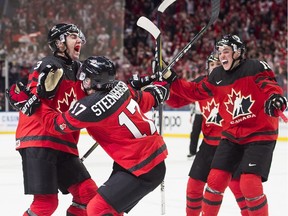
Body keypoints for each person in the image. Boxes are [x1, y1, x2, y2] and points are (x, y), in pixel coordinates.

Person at [161, 34, 287, 215]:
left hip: (259, 133)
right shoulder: (217, 76)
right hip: (232, 135)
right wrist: (170, 78)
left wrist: (275, 97)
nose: (222, 56)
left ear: (237, 53)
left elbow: (269, 85)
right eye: (220, 52)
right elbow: (194, 91)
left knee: (249, 184)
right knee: (214, 181)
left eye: (226, 51)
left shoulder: (254, 67)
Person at [30, 56, 169, 215]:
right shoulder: (120, 86)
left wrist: (34, 104)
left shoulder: (90, 106)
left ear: (91, 81)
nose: (83, 81)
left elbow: (54, 125)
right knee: (111, 210)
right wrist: (159, 86)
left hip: (141, 166)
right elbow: (146, 100)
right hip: (141, 161)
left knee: (97, 208)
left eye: (85, 78)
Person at [6, 23, 98, 216]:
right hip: (39, 138)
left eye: (78, 36)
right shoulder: (49, 64)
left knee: (87, 194)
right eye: (73, 36)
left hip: (64, 142)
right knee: (45, 204)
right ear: (60, 43)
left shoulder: (81, 71)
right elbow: (32, 98)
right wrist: (40, 93)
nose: (79, 40)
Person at [166, 51, 248, 215]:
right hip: (208, 145)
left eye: (219, 65)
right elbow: (176, 101)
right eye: (212, 65)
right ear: (207, 68)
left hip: (232, 145)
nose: (215, 68)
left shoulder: (237, 82)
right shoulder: (201, 84)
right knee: (194, 186)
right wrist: (163, 84)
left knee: (240, 189)